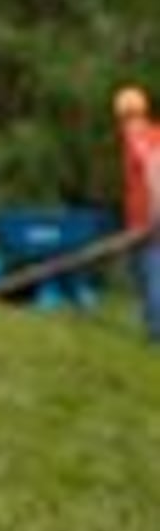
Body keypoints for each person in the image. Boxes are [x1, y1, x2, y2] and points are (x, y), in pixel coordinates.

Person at [114, 85, 160, 344]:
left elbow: (155, 170)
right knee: (146, 271)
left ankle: (156, 333)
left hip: (148, 221)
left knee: (151, 273)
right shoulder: (155, 133)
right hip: (142, 219)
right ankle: (151, 326)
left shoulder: (137, 136)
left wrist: (156, 212)